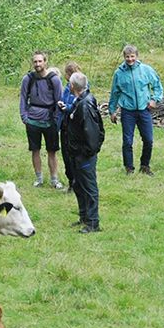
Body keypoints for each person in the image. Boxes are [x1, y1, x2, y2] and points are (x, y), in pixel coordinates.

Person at [58, 72, 105, 233]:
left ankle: (93, 222)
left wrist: (86, 152)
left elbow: (91, 133)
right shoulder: (80, 101)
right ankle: (84, 216)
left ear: (72, 86)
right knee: (78, 185)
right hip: (76, 152)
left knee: (89, 187)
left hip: (84, 154)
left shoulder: (85, 105)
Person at [108, 44, 162, 176]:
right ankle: (129, 168)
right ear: (124, 57)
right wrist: (112, 111)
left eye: (132, 56)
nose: (130, 59)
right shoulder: (119, 73)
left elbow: (158, 86)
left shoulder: (146, 70)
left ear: (137, 56)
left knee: (148, 140)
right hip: (127, 111)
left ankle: (145, 166)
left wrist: (154, 99)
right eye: (127, 57)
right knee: (127, 141)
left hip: (144, 110)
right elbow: (114, 93)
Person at [20, 50, 64, 189]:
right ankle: (39, 178)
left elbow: (59, 100)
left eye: (40, 61)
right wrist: (25, 117)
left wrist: (56, 119)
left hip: (49, 120)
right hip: (32, 120)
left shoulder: (54, 79)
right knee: (35, 150)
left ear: (45, 62)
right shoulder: (28, 79)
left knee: (52, 151)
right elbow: (23, 98)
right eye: (35, 61)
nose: (37, 64)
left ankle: (54, 179)